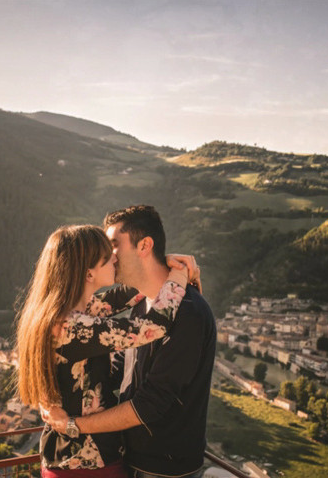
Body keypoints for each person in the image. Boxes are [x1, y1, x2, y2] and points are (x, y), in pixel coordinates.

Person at [44, 205, 217, 478]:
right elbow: (151, 330)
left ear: (144, 245)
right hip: (107, 459)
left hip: (161, 467)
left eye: (112, 245)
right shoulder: (76, 322)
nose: (108, 257)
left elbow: (148, 396)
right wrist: (179, 272)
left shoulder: (187, 312)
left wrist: (173, 269)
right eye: (102, 252)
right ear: (87, 273)